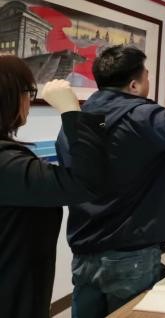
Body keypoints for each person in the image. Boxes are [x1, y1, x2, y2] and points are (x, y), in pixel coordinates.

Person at [55, 45, 165, 318]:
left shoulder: (78, 117)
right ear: (134, 84)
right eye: (146, 75)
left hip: (86, 244)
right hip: (131, 248)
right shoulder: (143, 115)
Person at [0, 56, 107, 318]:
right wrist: (71, 112)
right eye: (29, 92)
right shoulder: (7, 164)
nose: (29, 101)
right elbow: (88, 182)